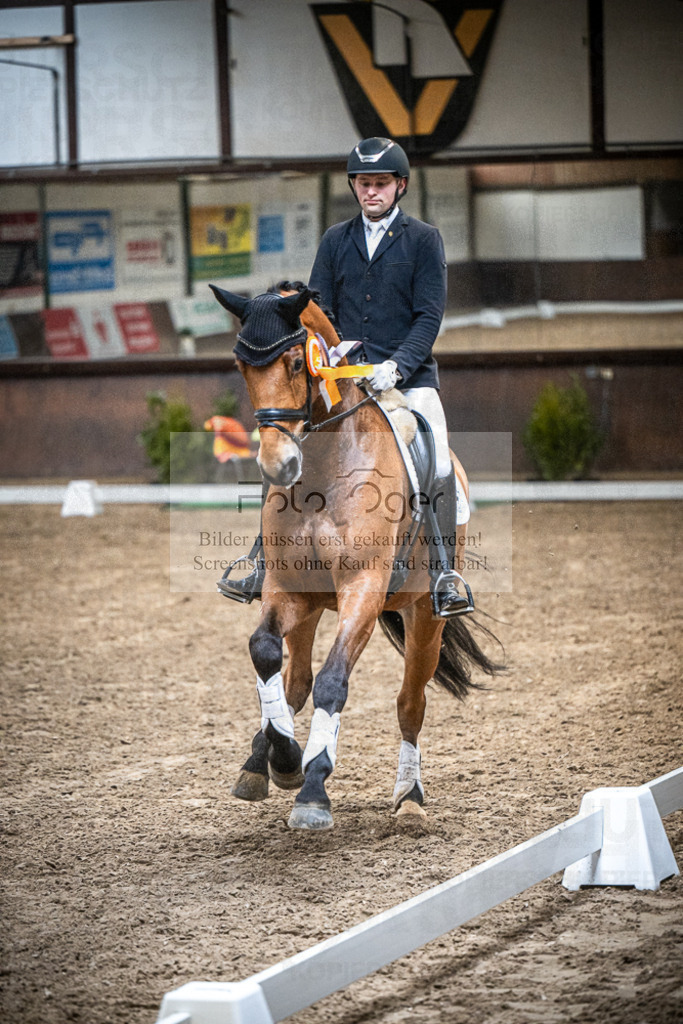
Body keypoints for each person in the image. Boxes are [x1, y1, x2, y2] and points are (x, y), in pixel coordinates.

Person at [219, 137, 472, 617]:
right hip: (344, 379)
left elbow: (428, 316)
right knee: (286, 451)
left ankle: (443, 574)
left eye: (379, 183)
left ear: (399, 186)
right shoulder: (336, 239)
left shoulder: (423, 240)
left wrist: (396, 365)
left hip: (408, 379)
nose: (370, 192)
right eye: (363, 183)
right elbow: (319, 310)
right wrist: (333, 357)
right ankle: (260, 559)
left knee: (438, 462)